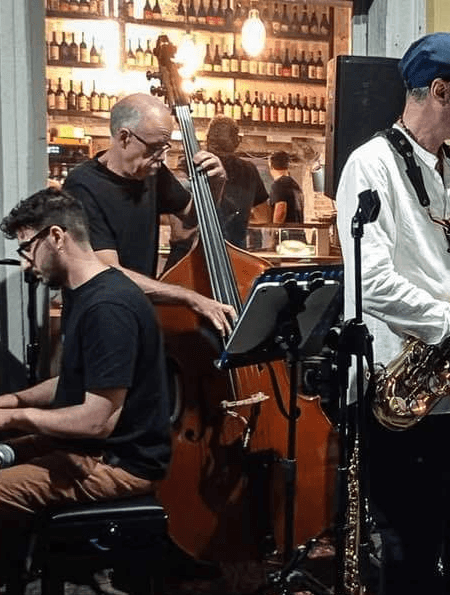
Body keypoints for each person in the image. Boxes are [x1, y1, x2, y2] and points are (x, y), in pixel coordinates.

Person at [336, 32, 450, 595]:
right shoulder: (369, 166)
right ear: (440, 90)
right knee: (409, 556)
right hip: (408, 396)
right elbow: (370, 282)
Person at [0, 188, 171, 583]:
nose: (25, 262)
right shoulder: (83, 293)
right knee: (9, 448)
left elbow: (96, 422)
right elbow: (76, 380)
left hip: (118, 462)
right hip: (90, 449)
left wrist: (14, 418)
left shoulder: (108, 306)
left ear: (56, 236)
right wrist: (12, 400)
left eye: (27, 248)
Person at [62, 92, 235, 335]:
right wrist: (189, 296)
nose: (162, 157)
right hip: (99, 320)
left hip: (136, 313)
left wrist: (216, 184)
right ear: (124, 137)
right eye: (155, 147)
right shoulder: (82, 185)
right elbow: (108, 271)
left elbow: (191, 218)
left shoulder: (152, 171)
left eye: (165, 147)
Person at [204, 115, 269, 248]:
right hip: (236, 248)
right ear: (236, 141)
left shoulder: (195, 165)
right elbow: (264, 216)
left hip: (201, 248)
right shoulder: (249, 170)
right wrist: (241, 217)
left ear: (207, 139)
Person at [268, 150, 304, 223]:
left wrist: (275, 228)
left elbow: (281, 211)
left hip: (285, 229)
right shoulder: (295, 185)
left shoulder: (278, 184)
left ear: (271, 166)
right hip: (297, 228)